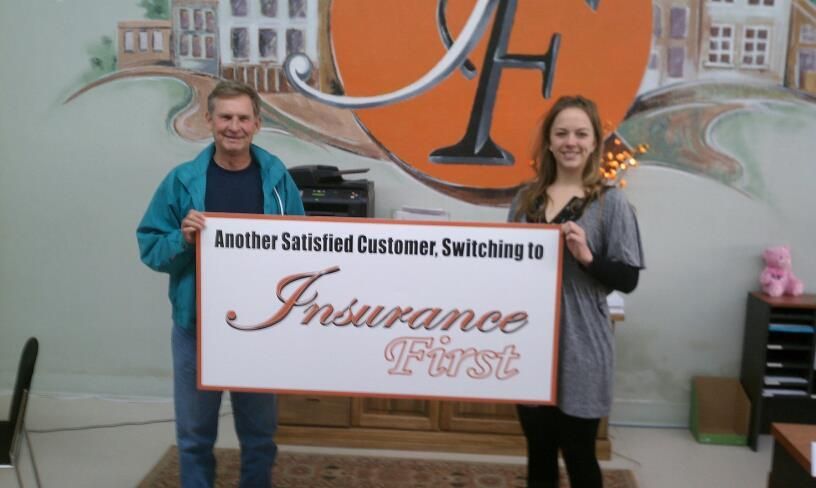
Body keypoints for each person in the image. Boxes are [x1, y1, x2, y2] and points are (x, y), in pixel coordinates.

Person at [136, 80, 305, 487]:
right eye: (225, 117)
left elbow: (303, 247)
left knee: (260, 438)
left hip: (260, 329)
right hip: (197, 330)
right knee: (194, 439)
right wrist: (182, 239)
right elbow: (150, 248)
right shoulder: (182, 181)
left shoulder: (278, 180)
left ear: (257, 124)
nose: (234, 126)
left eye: (243, 118)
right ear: (209, 120)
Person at [508, 95, 644, 488]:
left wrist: (586, 256)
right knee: (539, 451)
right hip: (530, 342)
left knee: (580, 453)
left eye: (581, 133)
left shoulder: (611, 203)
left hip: (583, 347)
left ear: (593, 142)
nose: (571, 141)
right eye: (562, 132)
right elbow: (506, 268)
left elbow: (629, 279)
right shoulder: (525, 201)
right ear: (549, 141)